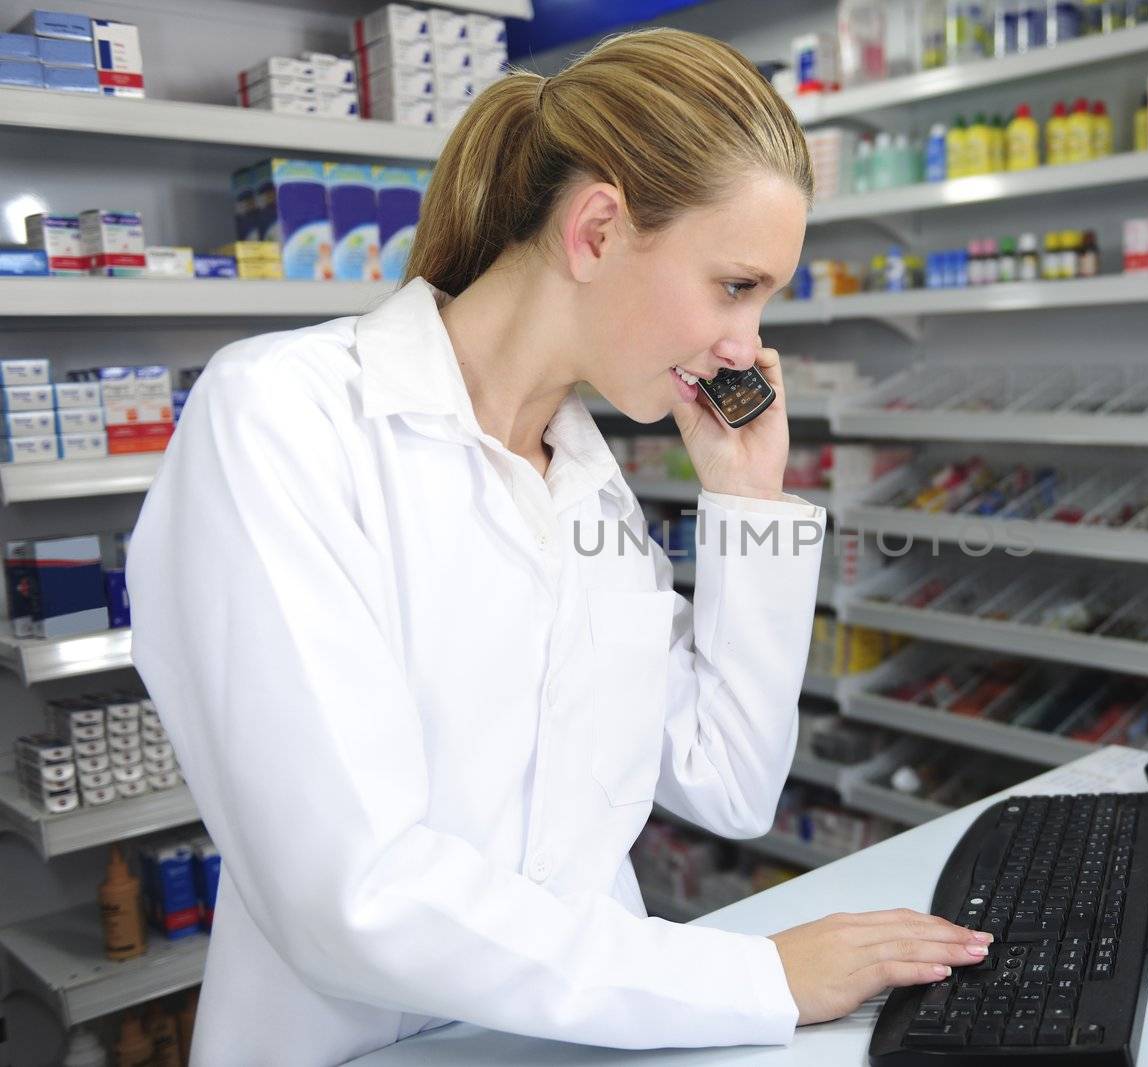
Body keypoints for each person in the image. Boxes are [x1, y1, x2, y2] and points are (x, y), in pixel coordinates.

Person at [127, 27, 991, 1067]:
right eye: (734, 285)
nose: (748, 346)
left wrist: (748, 501)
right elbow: (355, 894)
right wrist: (756, 976)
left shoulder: (585, 483)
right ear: (594, 231)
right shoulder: (282, 421)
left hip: (584, 1039)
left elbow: (727, 781)